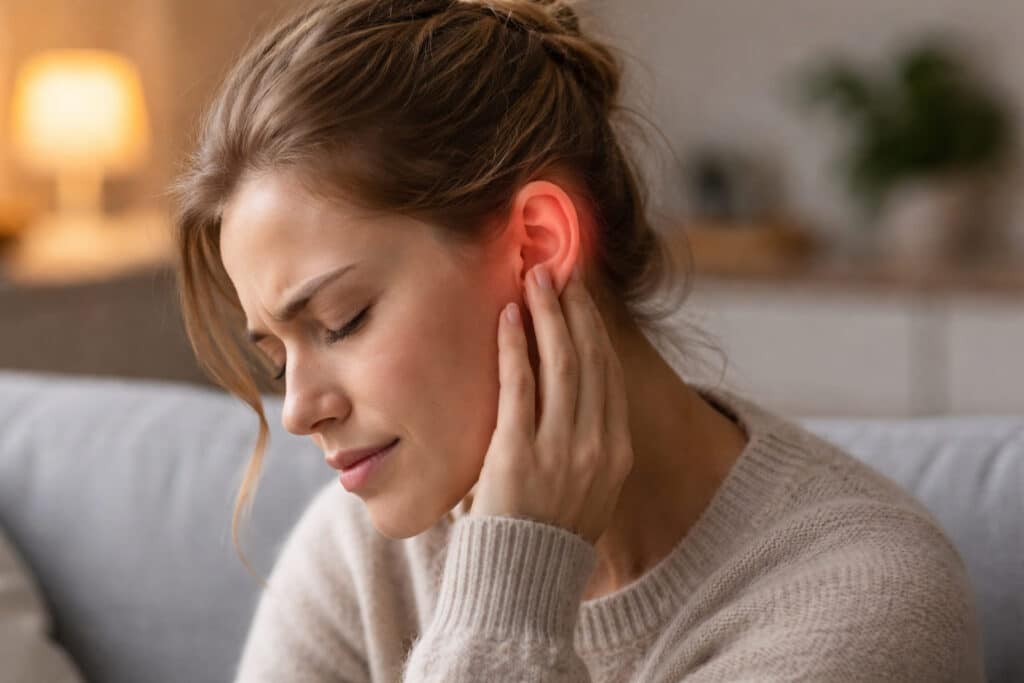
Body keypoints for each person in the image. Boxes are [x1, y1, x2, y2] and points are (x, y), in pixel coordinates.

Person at [169, 0, 986, 680]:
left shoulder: (863, 602)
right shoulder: (364, 557)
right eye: (278, 354)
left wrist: (508, 594)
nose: (301, 410)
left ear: (538, 244)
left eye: (341, 320)